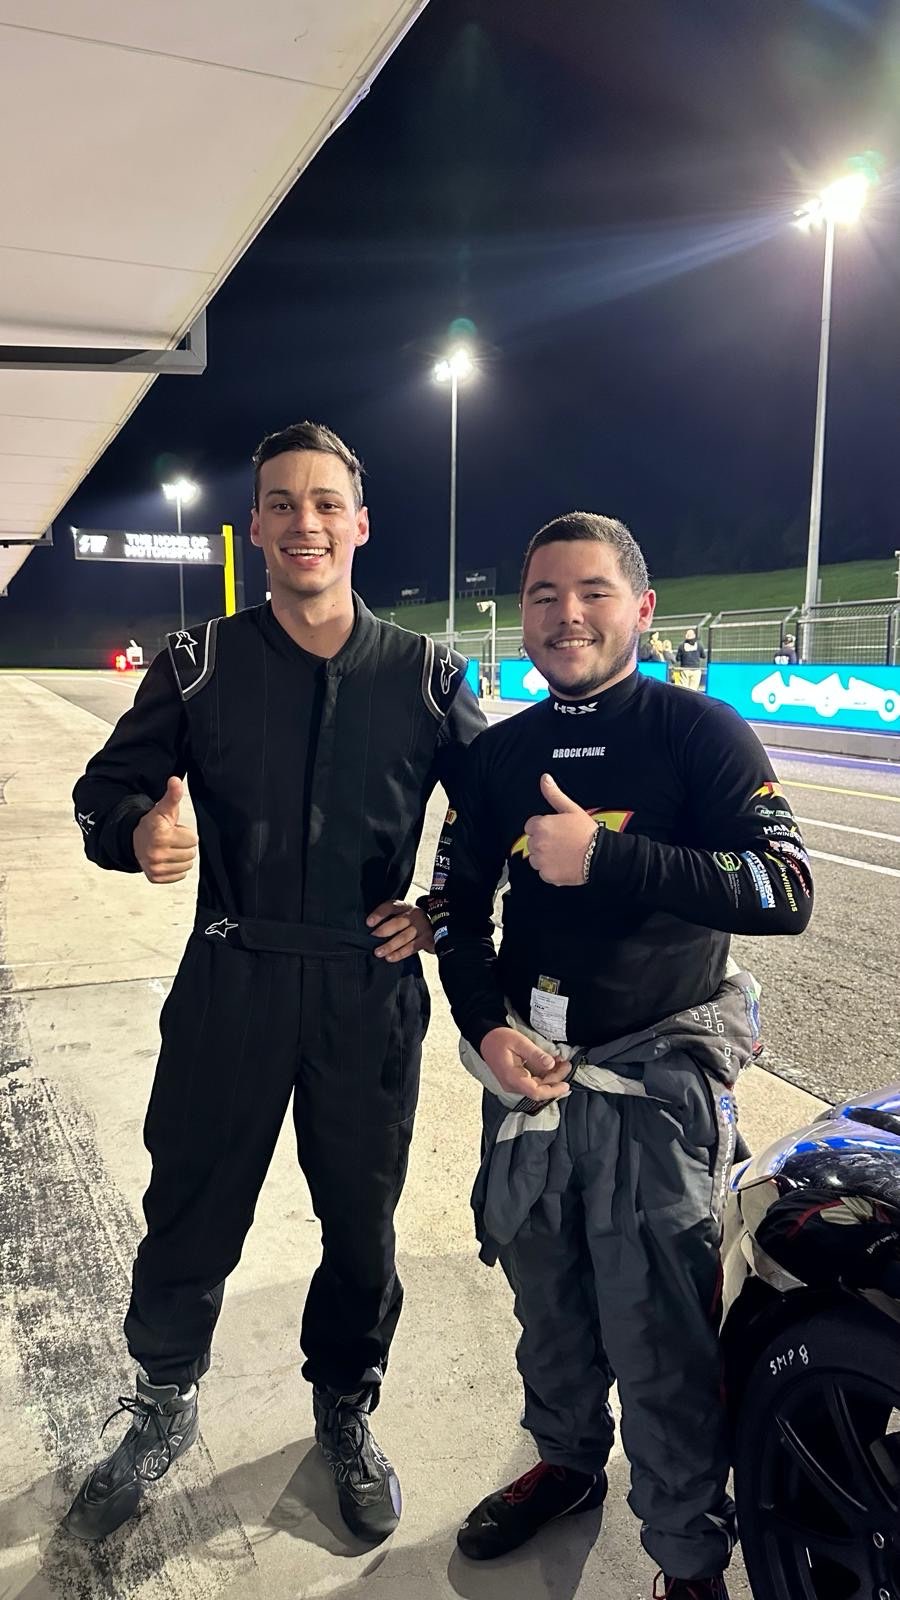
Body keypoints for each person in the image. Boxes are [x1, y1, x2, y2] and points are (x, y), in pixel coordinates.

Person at [66, 420, 485, 1545]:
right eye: (283, 503)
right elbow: (103, 789)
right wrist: (136, 832)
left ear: (360, 524)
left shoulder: (428, 673)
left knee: (362, 1225)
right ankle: (163, 1401)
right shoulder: (198, 662)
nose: (306, 522)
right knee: (191, 1211)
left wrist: (441, 910)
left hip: (366, 990)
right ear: (254, 527)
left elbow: (492, 812)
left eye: (325, 502)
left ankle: (344, 1405)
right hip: (231, 979)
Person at [427, 512, 813, 1600]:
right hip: (529, 1081)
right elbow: (455, 912)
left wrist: (610, 855)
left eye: (593, 591)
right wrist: (487, 1029)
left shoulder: (702, 734)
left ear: (641, 609)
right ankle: (564, 1462)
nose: (568, 614)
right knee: (546, 1301)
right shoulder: (498, 757)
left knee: (661, 1335)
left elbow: (785, 888)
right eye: (544, 594)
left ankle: (686, 1559)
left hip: (656, 1091)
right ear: (523, 616)